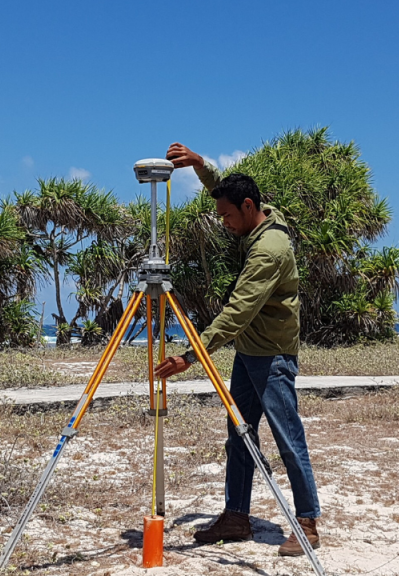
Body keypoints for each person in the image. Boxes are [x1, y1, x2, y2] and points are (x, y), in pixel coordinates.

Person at [155, 142, 321, 557]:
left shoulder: (268, 251)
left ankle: (307, 523)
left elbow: (237, 313)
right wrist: (201, 166)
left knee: (287, 437)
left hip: (273, 355)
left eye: (227, 216)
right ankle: (236, 516)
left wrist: (189, 357)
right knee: (239, 434)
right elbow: (228, 191)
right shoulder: (261, 215)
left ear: (248, 208)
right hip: (249, 353)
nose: (224, 223)